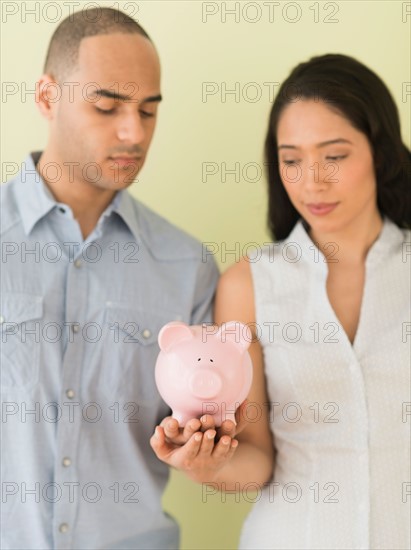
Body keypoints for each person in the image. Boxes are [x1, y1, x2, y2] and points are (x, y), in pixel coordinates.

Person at [151, 54, 411, 549]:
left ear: (379, 152)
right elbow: (257, 458)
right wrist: (210, 464)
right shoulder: (249, 285)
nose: (311, 180)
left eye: (334, 156)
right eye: (291, 159)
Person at [1, 7, 218, 549]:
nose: (133, 132)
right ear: (47, 98)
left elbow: (207, 435)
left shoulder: (186, 266)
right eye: (107, 107)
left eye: (148, 111)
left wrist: (202, 446)